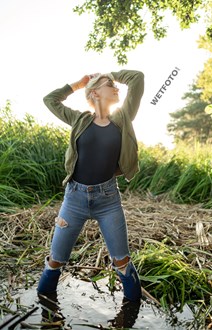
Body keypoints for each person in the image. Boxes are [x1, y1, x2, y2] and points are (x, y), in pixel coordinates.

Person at [37, 69, 145, 322]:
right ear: (95, 93)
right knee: (55, 261)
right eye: (110, 85)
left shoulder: (123, 118)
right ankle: (45, 312)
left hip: (108, 200)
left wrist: (111, 74)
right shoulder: (79, 119)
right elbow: (49, 100)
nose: (116, 88)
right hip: (74, 199)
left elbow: (137, 78)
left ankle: (130, 318)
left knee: (122, 262)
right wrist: (77, 84)